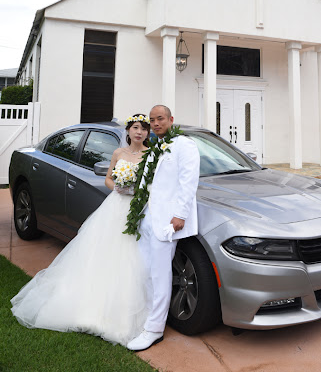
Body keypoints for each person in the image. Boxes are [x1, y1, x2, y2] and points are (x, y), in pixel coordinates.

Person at [11, 114, 151, 347]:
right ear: (129, 130)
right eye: (136, 127)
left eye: (144, 129)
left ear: (148, 133)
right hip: (116, 207)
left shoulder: (150, 156)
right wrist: (119, 187)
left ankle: (124, 311)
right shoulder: (118, 154)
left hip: (138, 208)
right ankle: (93, 308)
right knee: (105, 252)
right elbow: (108, 179)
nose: (140, 132)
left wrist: (138, 192)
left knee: (133, 256)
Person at [127, 104, 200, 352]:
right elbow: (149, 184)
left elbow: (188, 181)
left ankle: (155, 329)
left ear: (171, 119)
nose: (156, 123)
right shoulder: (155, 146)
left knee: (160, 275)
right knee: (146, 271)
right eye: (152, 120)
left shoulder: (183, 145)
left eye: (160, 119)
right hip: (147, 219)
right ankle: (147, 317)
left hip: (168, 222)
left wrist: (180, 215)